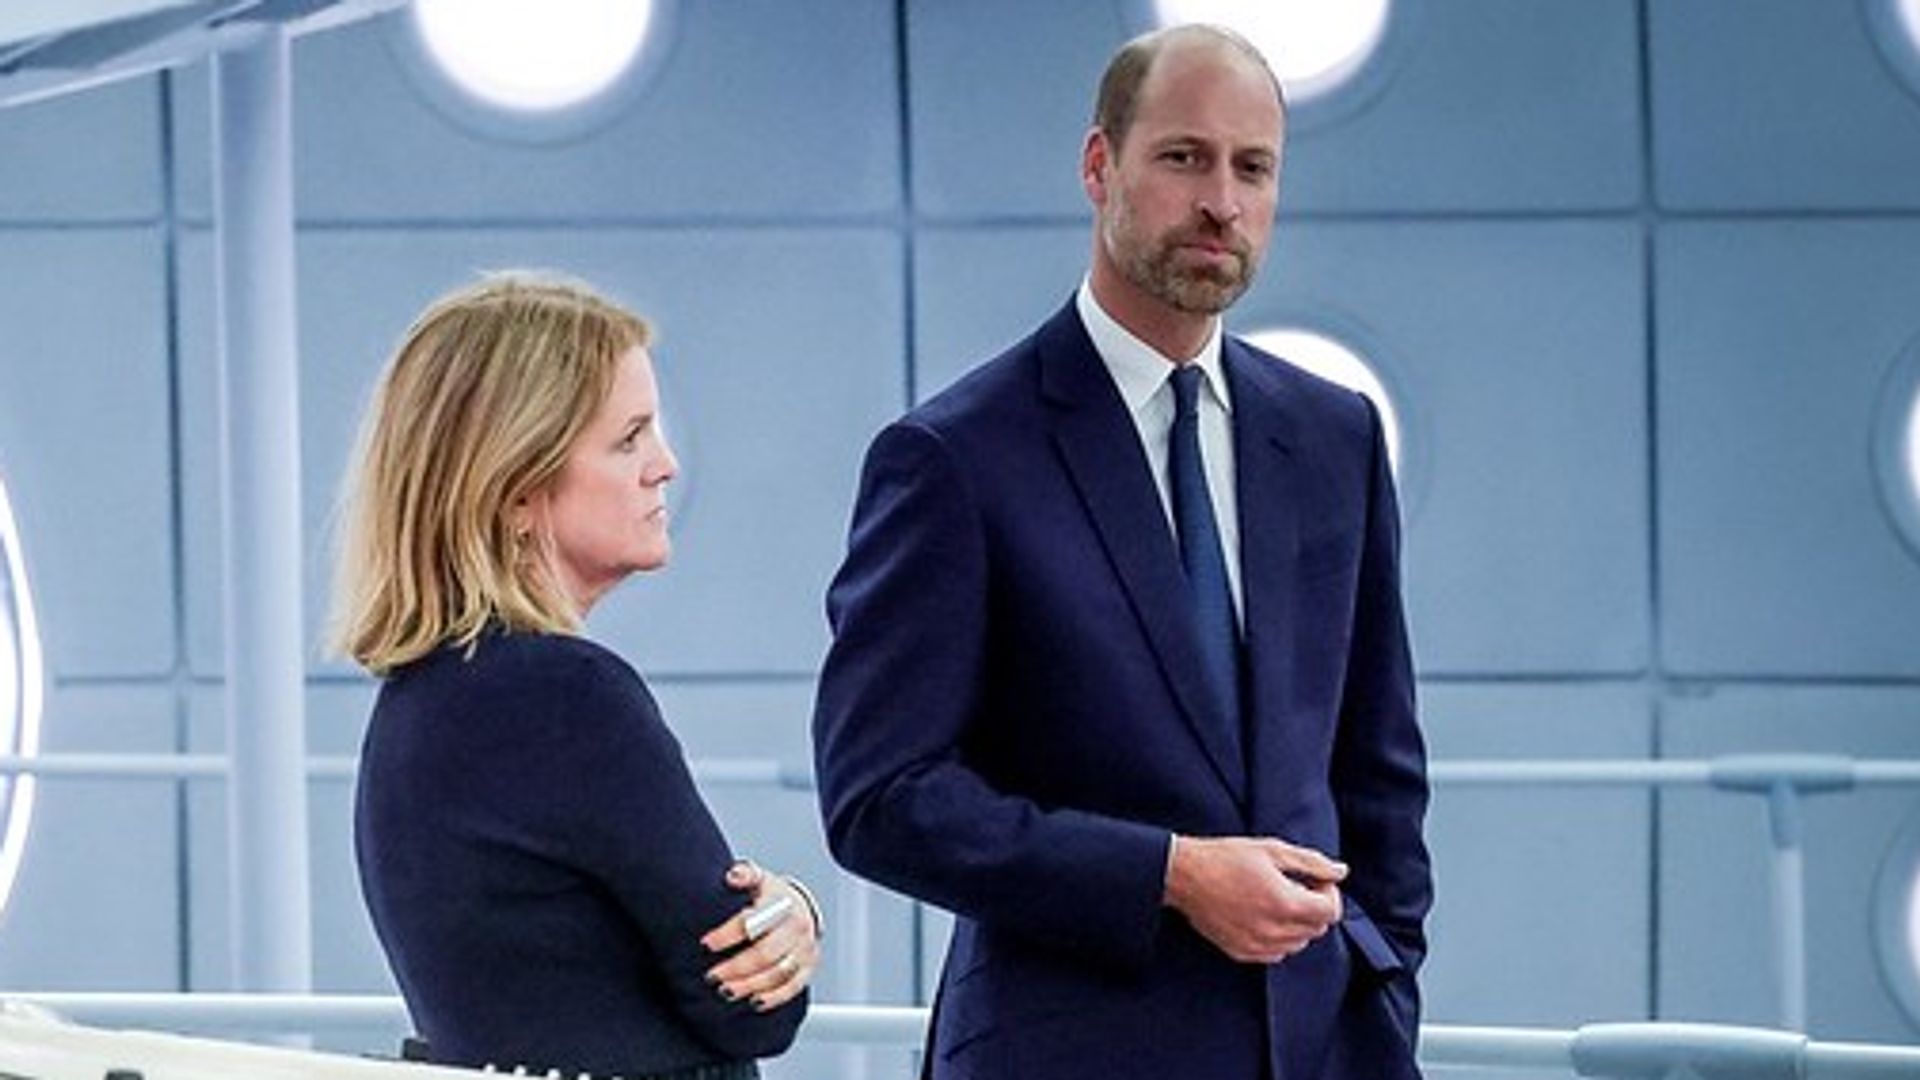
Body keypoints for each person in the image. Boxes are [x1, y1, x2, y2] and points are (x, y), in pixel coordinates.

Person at [812, 24, 1431, 1080]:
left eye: (1253, 167)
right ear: (1101, 166)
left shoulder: (1336, 438)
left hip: (1323, 1052)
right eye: (1183, 157)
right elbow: (883, 797)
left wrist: (1382, 986)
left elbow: (1379, 771)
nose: (1221, 203)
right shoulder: (956, 457)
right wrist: (1169, 873)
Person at [335, 272, 821, 1080]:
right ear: (517, 489)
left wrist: (780, 910)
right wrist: (791, 911)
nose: (663, 465)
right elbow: (749, 1009)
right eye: (629, 438)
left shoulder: (423, 698)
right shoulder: (564, 695)